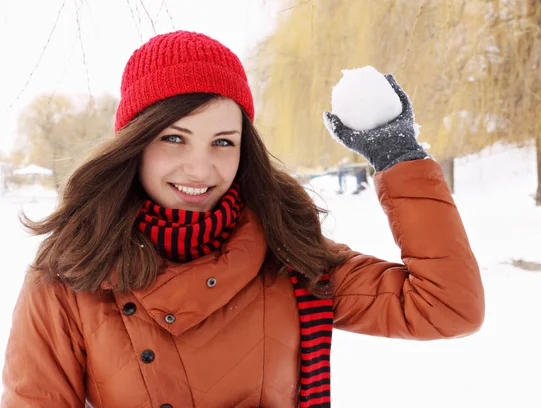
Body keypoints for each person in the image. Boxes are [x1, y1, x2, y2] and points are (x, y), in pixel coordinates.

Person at [2, 31, 485, 408]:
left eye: (223, 141)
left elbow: (445, 307)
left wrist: (398, 156)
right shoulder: (70, 278)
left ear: (243, 149)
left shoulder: (290, 258)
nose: (200, 168)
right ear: (135, 143)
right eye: (174, 138)